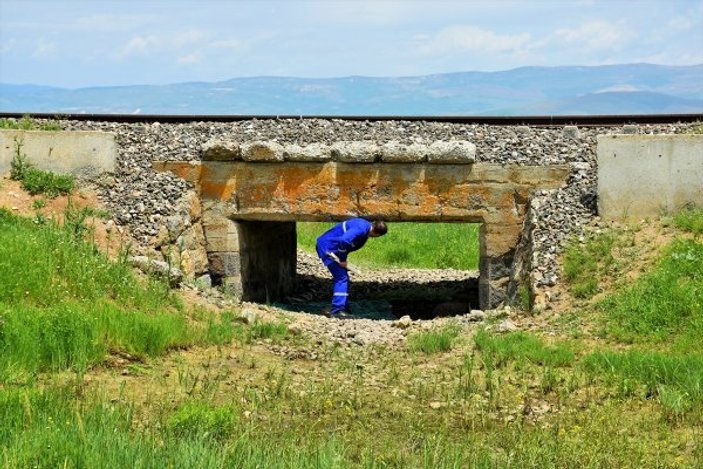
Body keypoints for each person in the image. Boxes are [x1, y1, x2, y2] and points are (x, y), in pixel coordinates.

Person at [316, 218, 387, 319]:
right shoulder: (361, 229)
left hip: (331, 247)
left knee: (343, 276)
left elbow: (347, 243)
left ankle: (341, 306)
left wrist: (343, 260)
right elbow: (344, 240)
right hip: (328, 248)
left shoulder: (364, 227)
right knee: (341, 278)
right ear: (376, 233)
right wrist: (342, 259)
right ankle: (337, 310)